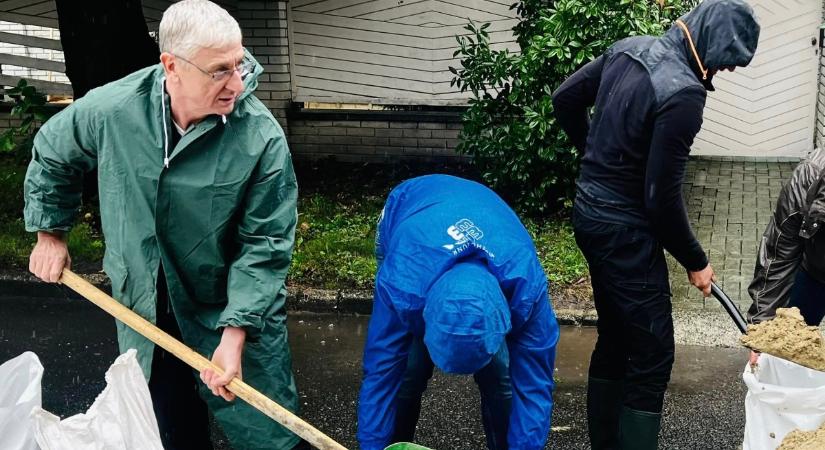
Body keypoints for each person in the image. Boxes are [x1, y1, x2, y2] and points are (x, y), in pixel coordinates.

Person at [24, 1, 305, 448]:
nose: (236, 82)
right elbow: (54, 150)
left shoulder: (259, 137)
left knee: (266, 432)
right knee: (166, 424)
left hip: (229, 305)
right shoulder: (116, 109)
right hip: (144, 305)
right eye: (219, 70)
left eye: (238, 64)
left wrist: (234, 335)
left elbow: (265, 244)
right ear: (171, 66)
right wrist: (49, 233)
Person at [551, 1, 760, 448]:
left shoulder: (629, 49)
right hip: (624, 233)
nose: (722, 72)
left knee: (616, 336)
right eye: (724, 62)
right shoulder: (683, 93)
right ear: (707, 44)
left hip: (588, 216)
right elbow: (659, 199)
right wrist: (696, 260)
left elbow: (563, 100)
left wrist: (596, 159)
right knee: (652, 353)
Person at [357, 175, 559, 450]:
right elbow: (381, 371)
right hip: (410, 208)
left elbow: (534, 387)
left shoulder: (526, 289)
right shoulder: (401, 283)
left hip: (491, 220)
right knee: (408, 368)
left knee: (501, 375)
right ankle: (393, 445)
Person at [746, 148, 825, 362]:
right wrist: (762, 332)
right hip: (817, 272)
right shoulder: (809, 177)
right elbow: (780, 257)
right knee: (790, 349)